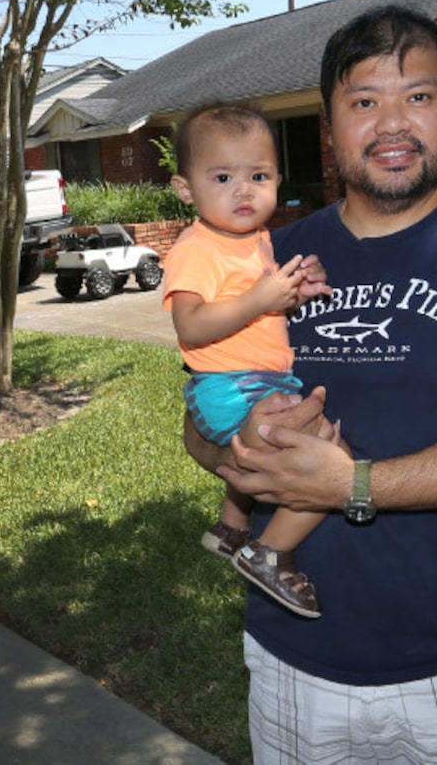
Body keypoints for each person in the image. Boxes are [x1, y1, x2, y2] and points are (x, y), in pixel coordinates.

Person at [185, 3, 437, 764]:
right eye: (363, 101)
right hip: (290, 659)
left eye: (418, 95)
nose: (392, 123)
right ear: (329, 126)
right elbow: (199, 417)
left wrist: (353, 484)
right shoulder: (271, 256)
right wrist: (240, 446)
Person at [163, 102, 332, 618]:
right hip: (230, 386)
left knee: (299, 447)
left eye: (259, 175)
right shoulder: (196, 247)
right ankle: (269, 551)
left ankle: (232, 527)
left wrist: (294, 296)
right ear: (186, 189)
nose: (244, 189)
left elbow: (258, 309)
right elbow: (191, 325)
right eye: (222, 176)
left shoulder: (258, 241)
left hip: (255, 377)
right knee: (324, 453)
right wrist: (261, 299)